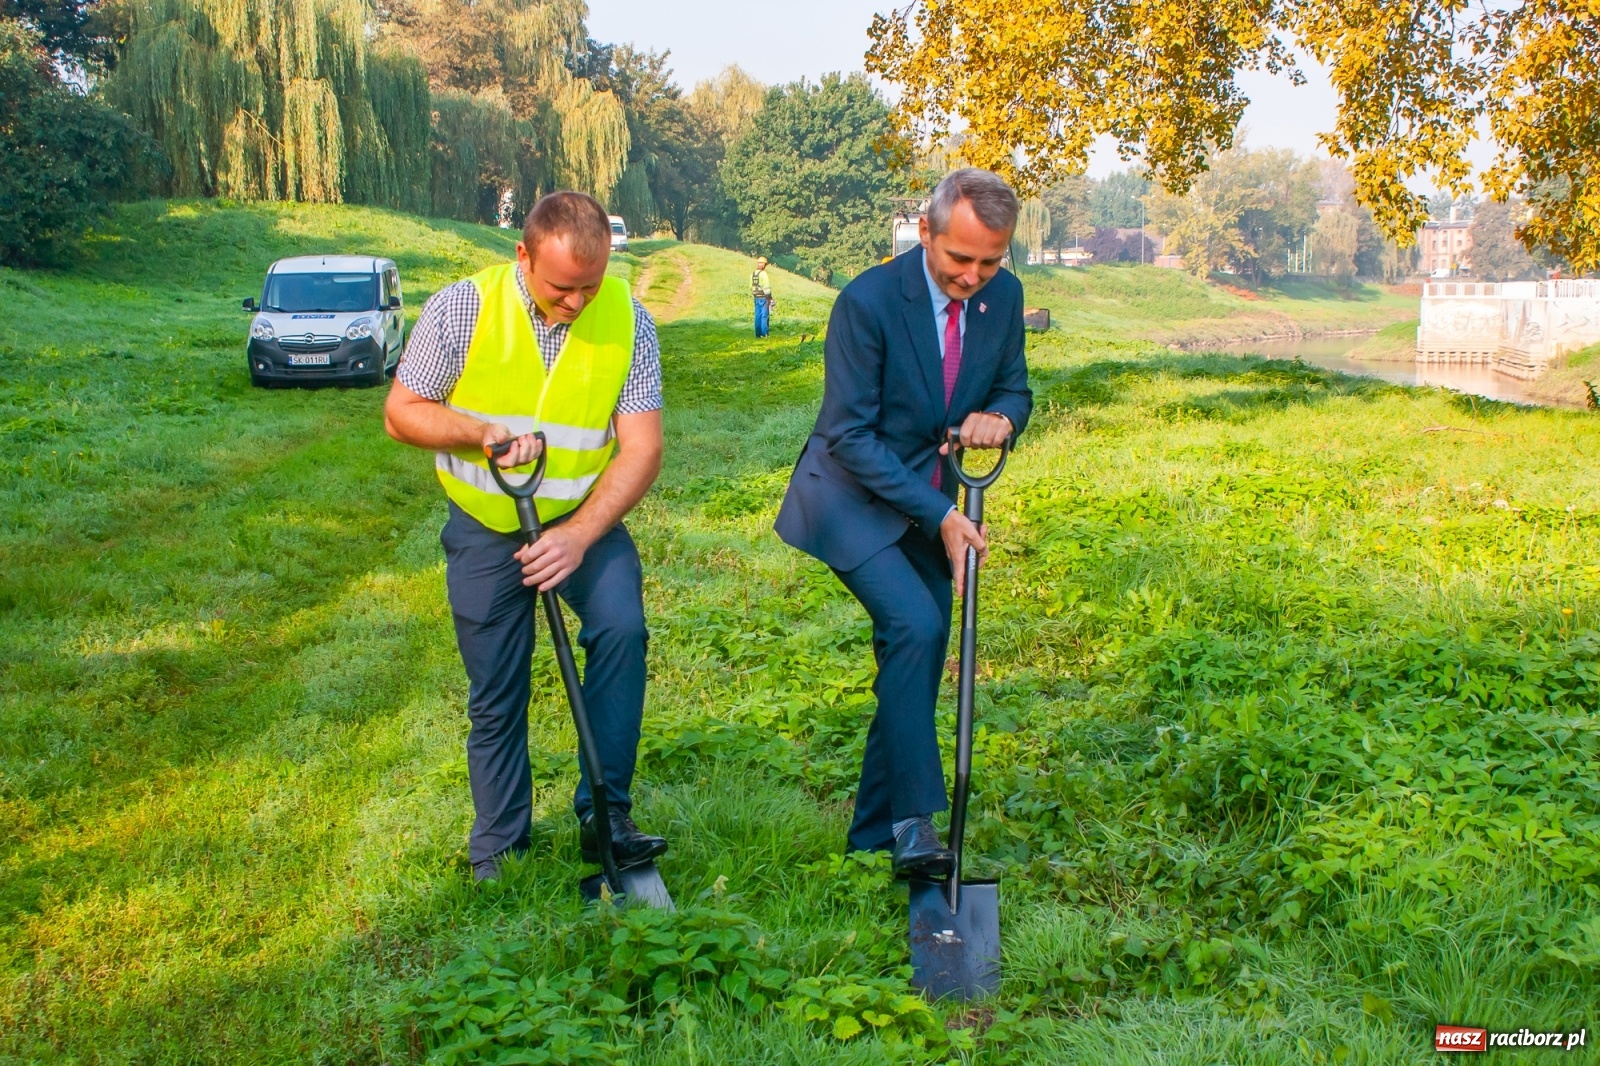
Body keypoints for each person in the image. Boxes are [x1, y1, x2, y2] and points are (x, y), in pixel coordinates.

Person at [384, 191, 668, 883]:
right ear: (523, 255)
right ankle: (499, 850)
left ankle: (607, 816)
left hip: (582, 521)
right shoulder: (462, 308)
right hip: (485, 526)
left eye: (589, 286)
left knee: (621, 631)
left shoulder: (630, 320)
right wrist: (478, 434)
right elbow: (403, 411)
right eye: (561, 287)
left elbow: (640, 449)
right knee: (498, 689)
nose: (575, 302)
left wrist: (576, 537)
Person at [773, 169, 1032, 878]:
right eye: (960, 259)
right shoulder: (868, 301)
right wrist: (942, 514)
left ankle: (869, 836)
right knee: (916, 626)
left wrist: (1001, 417)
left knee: (918, 646)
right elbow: (850, 437)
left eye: (991, 261)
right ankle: (917, 824)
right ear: (926, 232)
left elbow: (1014, 382)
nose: (975, 276)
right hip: (850, 497)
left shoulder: (1003, 297)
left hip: (932, 496)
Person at [752, 256, 773, 337]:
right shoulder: (764, 274)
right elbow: (766, 287)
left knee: (757, 315)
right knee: (764, 316)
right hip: (764, 298)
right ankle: (764, 334)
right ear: (764, 265)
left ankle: (758, 334)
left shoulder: (753, 274)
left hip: (756, 297)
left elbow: (751, 287)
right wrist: (769, 298)